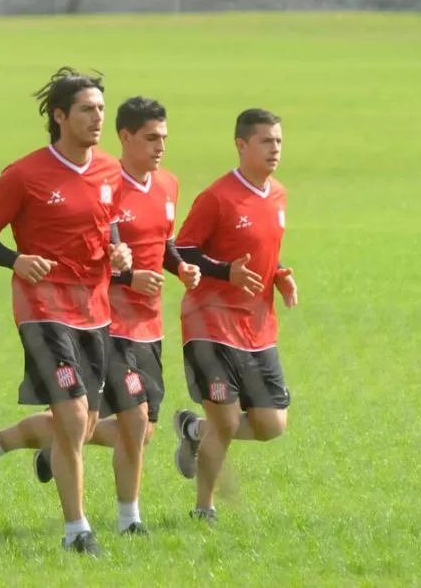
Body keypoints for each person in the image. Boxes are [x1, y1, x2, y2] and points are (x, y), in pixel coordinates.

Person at [0, 67, 132, 556]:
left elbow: (111, 225)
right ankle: (78, 531)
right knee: (75, 419)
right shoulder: (24, 174)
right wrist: (17, 259)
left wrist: (121, 255)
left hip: (94, 310)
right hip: (42, 308)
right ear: (59, 116)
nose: (97, 117)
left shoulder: (110, 170)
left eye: (100, 108)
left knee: (82, 425)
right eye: (86, 109)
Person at [27, 97, 202, 535]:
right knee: (132, 419)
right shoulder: (106, 185)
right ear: (125, 138)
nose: (160, 146)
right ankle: (130, 521)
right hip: (107, 321)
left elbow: (162, 242)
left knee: (136, 432)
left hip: (150, 325)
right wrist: (128, 281)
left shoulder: (168, 185)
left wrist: (179, 266)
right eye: (150, 138)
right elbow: (92, 259)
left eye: (164, 137)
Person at [169, 108, 299, 523]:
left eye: (278, 140)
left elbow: (265, 250)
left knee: (271, 423)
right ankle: (203, 508)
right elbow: (181, 249)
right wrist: (225, 272)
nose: (274, 148)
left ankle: (193, 432)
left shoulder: (278, 194)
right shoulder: (217, 197)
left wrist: (277, 275)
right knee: (224, 419)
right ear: (242, 145)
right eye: (266, 141)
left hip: (257, 327)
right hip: (210, 322)